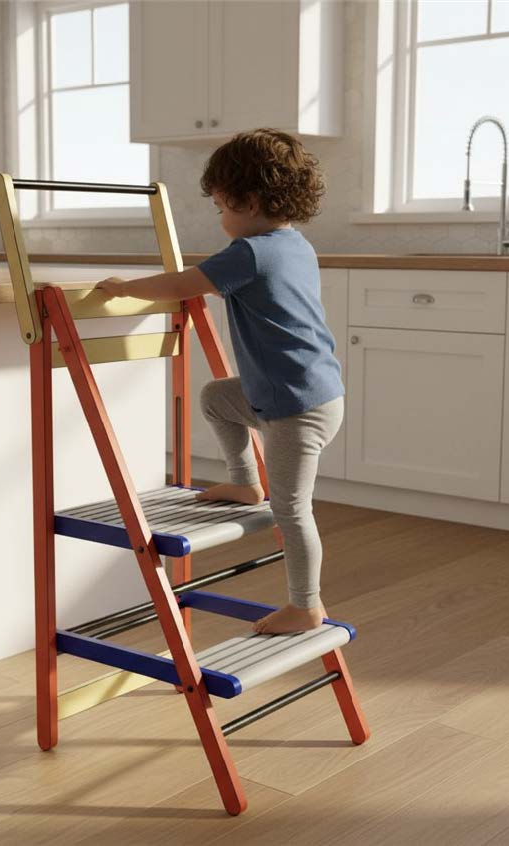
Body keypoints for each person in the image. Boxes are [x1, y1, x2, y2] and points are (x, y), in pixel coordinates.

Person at [94, 128, 344, 635]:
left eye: (220, 207)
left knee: (292, 508)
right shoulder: (295, 245)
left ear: (248, 203)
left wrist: (124, 289)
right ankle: (245, 481)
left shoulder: (249, 252)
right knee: (215, 397)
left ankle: (306, 605)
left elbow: (183, 282)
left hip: (294, 408)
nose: (221, 218)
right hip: (304, 395)